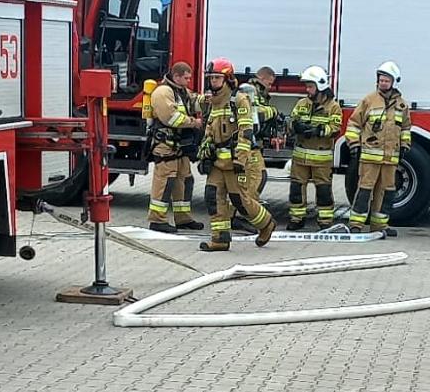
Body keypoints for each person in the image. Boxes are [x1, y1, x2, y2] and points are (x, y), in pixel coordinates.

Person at [197, 59, 274, 251]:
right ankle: (220, 238)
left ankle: (266, 224)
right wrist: (204, 154)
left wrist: (241, 158)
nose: (213, 81)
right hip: (217, 163)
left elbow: (246, 130)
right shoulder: (212, 101)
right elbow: (209, 129)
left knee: (241, 202)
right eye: (211, 78)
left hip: (234, 163)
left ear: (227, 78)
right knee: (212, 197)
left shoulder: (238, 99)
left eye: (217, 77)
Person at [345, 61, 412, 236]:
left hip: (390, 159)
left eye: (386, 81)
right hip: (369, 157)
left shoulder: (402, 105)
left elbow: (405, 127)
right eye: (381, 80)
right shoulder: (368, 100)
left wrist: (405, 145)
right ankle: (356, 225)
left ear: (393, 82)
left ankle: (379, 226)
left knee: (386, 192)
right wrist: (353, 144)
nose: (383, 83)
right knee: (364, 191)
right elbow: (353, 124)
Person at [145, 62, 205, 233]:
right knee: (165, 181)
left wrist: (208, 100)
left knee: (185, 180)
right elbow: (170, 118)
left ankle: (183, 218)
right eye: (186, 77)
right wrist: (194, 123)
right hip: (165, 145)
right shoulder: (163, 92)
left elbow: (193, 102)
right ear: (176, 76)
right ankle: (157, 220)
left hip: (180, 146)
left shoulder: (181, 91)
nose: (189, 80)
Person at [284, 65, 341, 230]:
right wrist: (295, 126)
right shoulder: (302, 103)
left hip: (321, 158)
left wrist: (318, 130)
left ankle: (324, 222)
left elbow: (335, 128)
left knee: (323, 191)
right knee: (296, 189)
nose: (307, 89)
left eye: (310, 86)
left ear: (320, 86)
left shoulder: (333, 107)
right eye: (307, 86)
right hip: (300, 157)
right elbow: (291, 121)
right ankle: (296, 219)